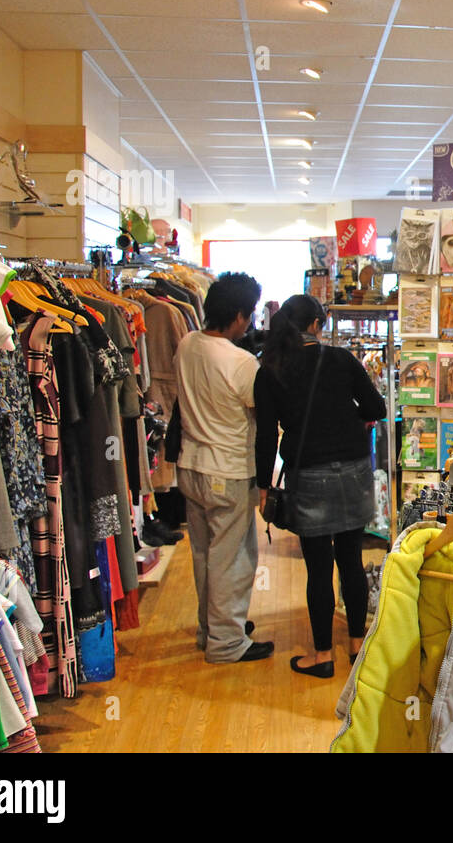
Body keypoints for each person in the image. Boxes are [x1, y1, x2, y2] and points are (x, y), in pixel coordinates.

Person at [255, 294, 387, 678]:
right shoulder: (340, 359)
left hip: (308, 472)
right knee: (351, 561)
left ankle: (322, 655)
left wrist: (263, 486)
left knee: (317, 567)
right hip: (353, 468)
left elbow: (265, 434)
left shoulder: (271, 368)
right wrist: (350, 417)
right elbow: (376, 409)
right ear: (315, 325)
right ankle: (357, 646)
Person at [175, 272, 274, 663]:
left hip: (190, 465)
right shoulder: (241, 361)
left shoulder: (187, 344)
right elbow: (261, 417)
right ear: (237, 316)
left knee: (203, 554)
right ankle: (227, 643)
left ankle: (211, 629)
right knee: (232, 558)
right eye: (247, 315)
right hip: (227, 470)